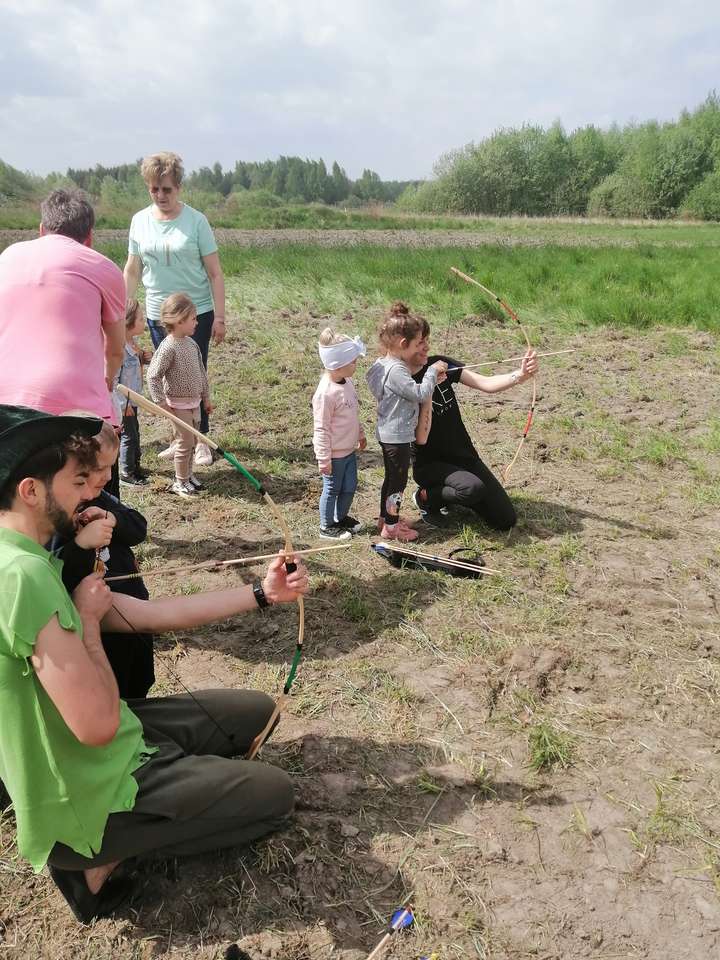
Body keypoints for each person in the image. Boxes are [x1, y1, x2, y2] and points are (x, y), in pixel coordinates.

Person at [0, 404, 309, 923]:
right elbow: (96, 726)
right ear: (31, 490)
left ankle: (163, 781)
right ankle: (91, 859)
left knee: (257, 712)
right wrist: (90, 623)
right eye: (77, 481)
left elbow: (149, 616)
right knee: (276, 794)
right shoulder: (20, 577)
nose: (90, 494)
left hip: (109, 748)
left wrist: (261, 592)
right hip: (84, 789)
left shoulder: (35, 559)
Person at [123, 152, 226, 467]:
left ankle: (202, 443)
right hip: (157, 316)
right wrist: (124, 314)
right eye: (154, 189)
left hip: (196, 315)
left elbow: (215, 273)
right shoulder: (139, 221)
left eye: (166, 189)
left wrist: (220, 317)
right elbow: (132, 269)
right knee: (168, 378)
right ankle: (181, 437)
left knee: (194, 377)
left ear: (178, 187)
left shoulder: (196, 221)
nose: (160, 195)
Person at [49, 420, 155, 699]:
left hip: (134, 609)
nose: (108, 476)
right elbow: (54, 575)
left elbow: (139, 527)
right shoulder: (55, 517)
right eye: (99, 468)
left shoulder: (102, 498)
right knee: (113, 692)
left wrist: (112, 518)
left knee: (140, 679)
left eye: (112, 466)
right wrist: (82, 544)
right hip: (99, 628)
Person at [0, 189, 125, 423]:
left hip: (5, 394)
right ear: (89, 237)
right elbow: (116, 349)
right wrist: (106, 380)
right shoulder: (104, 268)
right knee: (92, 454)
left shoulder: (7, 257)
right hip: (71, 398)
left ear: (41, 230)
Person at [409, 346, 539, 529]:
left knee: (504, 520)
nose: (426, 347)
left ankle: (455, 491)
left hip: (463, 456)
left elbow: (485, 383)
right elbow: (420, 437)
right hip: (430, 465)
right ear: (404, 345)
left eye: (426, 340)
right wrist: (429, 383)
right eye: (420, 341)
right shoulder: (403, 382)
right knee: (472, 489)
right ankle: (426, 497)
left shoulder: (437, 363)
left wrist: (520, 374)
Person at [366, 302, 447, 542]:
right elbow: (420, 394)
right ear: (403, 344)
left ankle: (385, 519)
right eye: (417, 342)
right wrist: (431, 373)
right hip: (397, 437)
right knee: (397, 485)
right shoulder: (398, 371)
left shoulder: (382, 364)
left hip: (387, 433)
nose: (422, 346)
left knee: (391, 479)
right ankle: (391, 527)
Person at [146, 293, 212, 498]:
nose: (197, 322)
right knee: (184, 443)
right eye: (193, 318)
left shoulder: (191, 344)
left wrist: (206, 397)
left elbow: (201, 372)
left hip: (194, 402)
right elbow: (153, 376)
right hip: (178, 404)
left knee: (192, 441)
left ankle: (188, 475)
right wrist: (161, 403)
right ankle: (179, 481)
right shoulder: (168, 347)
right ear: (179, 320)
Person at [312, 328, 367, 540]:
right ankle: (326, 526)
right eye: (353, 361)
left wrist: (360, 434)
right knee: (332, 489)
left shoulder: (348, 383)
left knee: (350, 486)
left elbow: (353, 412)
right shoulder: (325, 393)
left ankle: (341, 517)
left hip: (349, 450)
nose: (356, 365)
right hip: (334, 454)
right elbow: (321, 428)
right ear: (337, 364)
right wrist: (323, 458)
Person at [114, 299, 152, 486]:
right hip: (126, 404)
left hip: (133, 400)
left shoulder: (133, 344)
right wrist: (123, 405)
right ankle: (127, 472)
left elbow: (134, 368)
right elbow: (114, 381)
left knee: (135, 432)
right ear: (128, 322)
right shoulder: (119, 349)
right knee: (129, 436)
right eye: (140, 318)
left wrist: (143, 358)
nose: (143, 321)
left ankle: (135, 466)